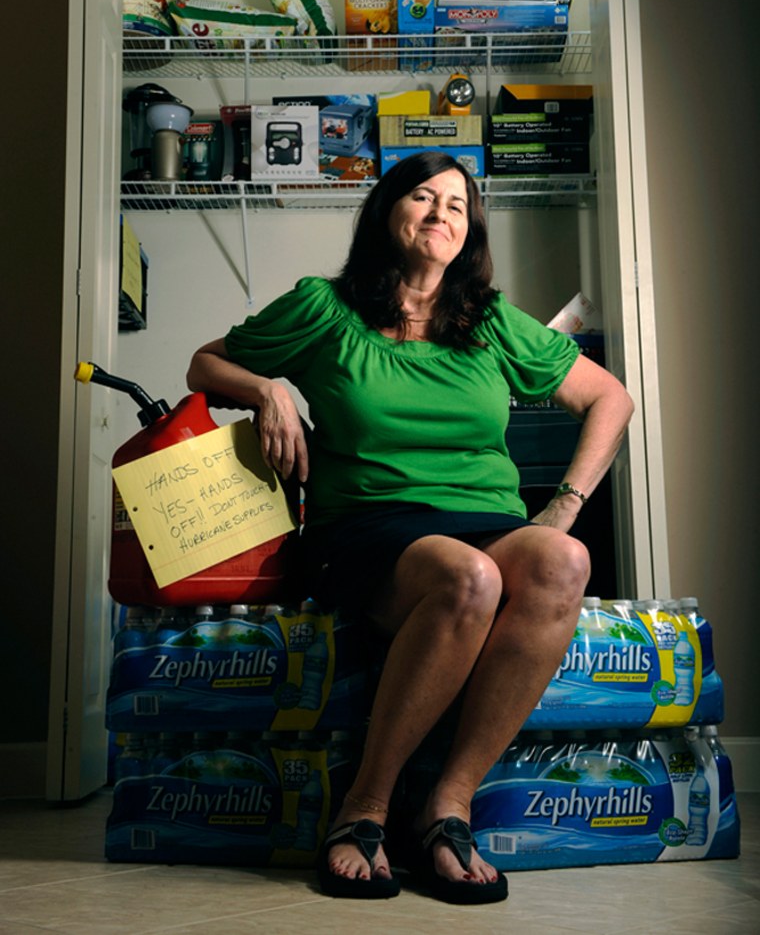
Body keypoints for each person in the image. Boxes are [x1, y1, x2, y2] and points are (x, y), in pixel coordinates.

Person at [186, 150, 634, 905]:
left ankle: (447, 807)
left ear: (470, 230)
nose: (440, 214)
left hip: (486, 519)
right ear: (387, 212)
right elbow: (204, 364)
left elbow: (610, 397)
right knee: (471, 576)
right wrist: (269, 389)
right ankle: (363, 807)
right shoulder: (324, 308)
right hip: (368, 526)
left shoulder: (487, 320)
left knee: (563, 559)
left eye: (457, 205)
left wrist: (564, 503)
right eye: (423, 197)